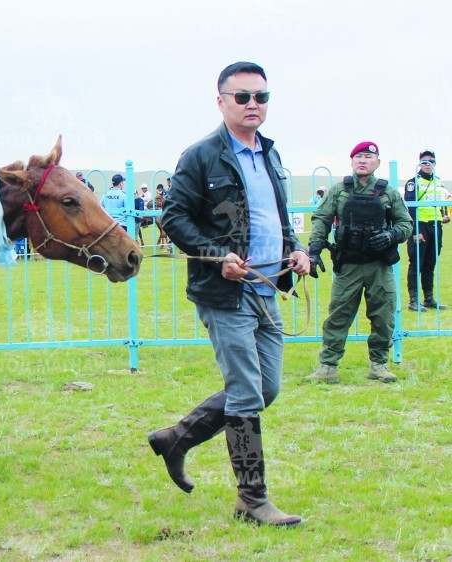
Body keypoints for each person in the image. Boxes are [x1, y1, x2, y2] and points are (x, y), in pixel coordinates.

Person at [148, 62, 309, 527]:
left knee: (267, 387)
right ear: (221, 101)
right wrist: (217, 255)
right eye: (242, 97)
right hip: (223, 291)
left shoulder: (271, 156)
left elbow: (276, 218)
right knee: (245, 393)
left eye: (261, 97)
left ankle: (177, 437)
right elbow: (174, 219)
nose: (253, 105)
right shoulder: (201, 156)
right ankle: (251, 498)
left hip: (267, 287)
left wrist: (295, 249)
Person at [305, 142, 412, 385]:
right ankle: (328, 366)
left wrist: (391, 235)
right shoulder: (339, 190)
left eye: (368, 156)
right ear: (352, 161)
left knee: (383, 316)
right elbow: (321, 219)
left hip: (379, 265)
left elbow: (405, 224)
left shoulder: (388, 192)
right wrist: (314, 251)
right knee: (339, 315)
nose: (362, 160)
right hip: (349, 264)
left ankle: (379, 365)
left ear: (377, 162)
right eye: (358, 156)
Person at [404, 150, 450, 310]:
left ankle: (428, 298)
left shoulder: (438, 182)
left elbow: (441, 203)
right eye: (424, 161)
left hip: (435, 226)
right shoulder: (413, 182)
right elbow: (410, 209)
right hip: (420, 226)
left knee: (430, 263)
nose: (428, 164)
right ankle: (414, 301)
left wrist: (444, 216)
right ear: (419, 163)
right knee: (416, 263)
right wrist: (415, 231)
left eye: (431, 161)